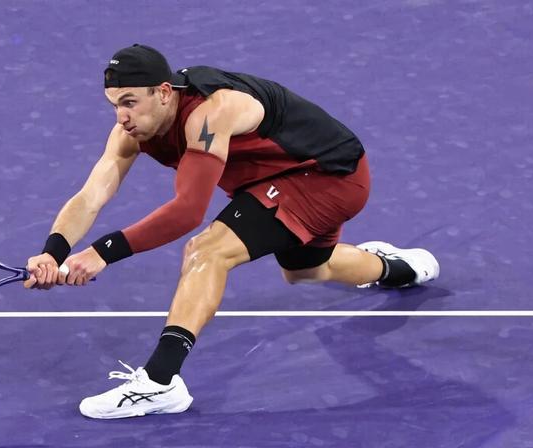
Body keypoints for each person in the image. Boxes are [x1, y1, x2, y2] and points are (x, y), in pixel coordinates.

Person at [24, 44, 440, 419]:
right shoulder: (132, 130)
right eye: (114, 105)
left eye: (130, 102)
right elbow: (91, 195)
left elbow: (189, 212)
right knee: (305, 271)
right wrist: (53, 251)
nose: (122, 117)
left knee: (208, 250)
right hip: (275, 181)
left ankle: (160, 382)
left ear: (164, 92)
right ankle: (395, 269)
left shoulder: (210, 113)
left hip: (328, 176)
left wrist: (102, 252)